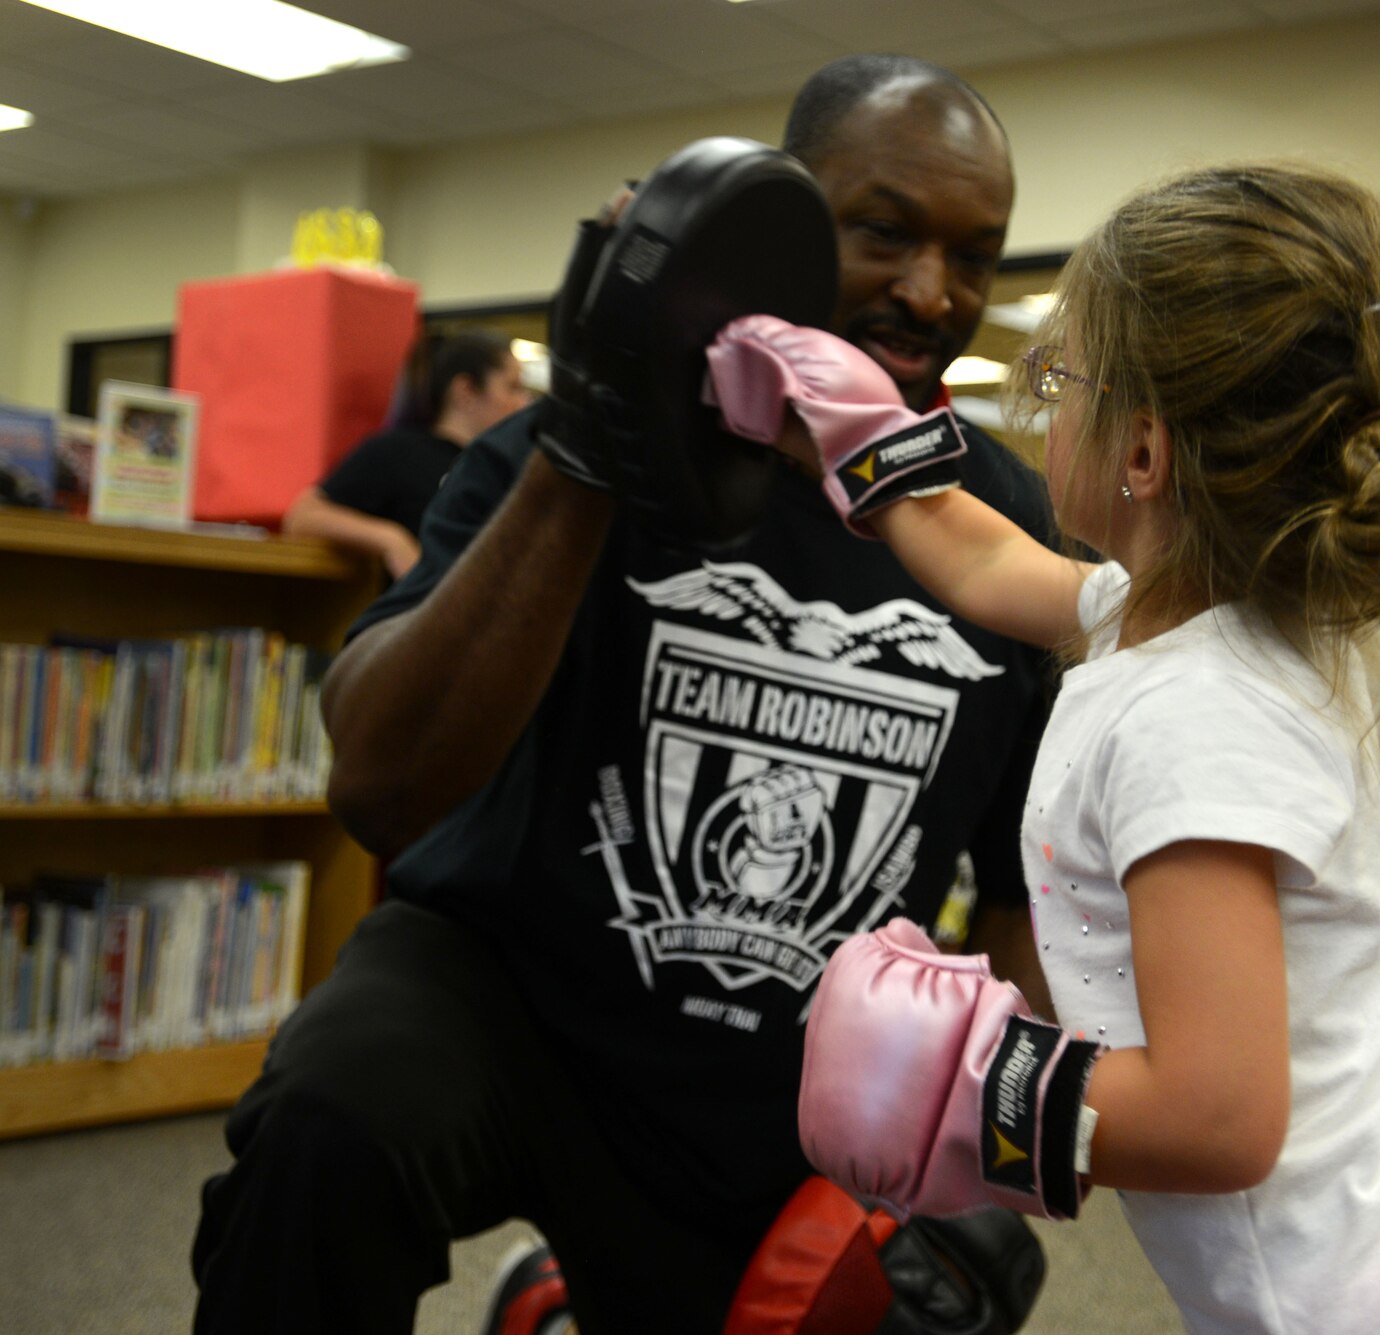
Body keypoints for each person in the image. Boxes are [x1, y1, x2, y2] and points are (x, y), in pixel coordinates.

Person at [191, 55, 1056, 1335]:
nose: (933, 291)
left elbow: (1024, 887)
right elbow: (377, 783)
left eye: (973, 254)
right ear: (782, 221)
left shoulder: (1000, 526)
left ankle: (551, 1305)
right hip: (505, 993)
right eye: (883, 231)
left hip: (787, 1070)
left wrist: (985, 1134)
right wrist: (593, 438)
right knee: (330, 1130)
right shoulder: (565, 456)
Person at [712, 163, 1380, 1333]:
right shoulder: (1202, 619)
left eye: (1059, 375)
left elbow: (1217, 1118)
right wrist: (860, 431)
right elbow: (986, 563)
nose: (1041, 406)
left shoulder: (1195, 721)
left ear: (1140, 454)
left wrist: (967, 1091)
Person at [280, 330, 531, 577]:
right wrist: (392, 539)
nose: (524, 403)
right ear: (465, 390)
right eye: (512, 388)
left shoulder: (506, 466)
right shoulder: (398, 452)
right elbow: (304, 516)